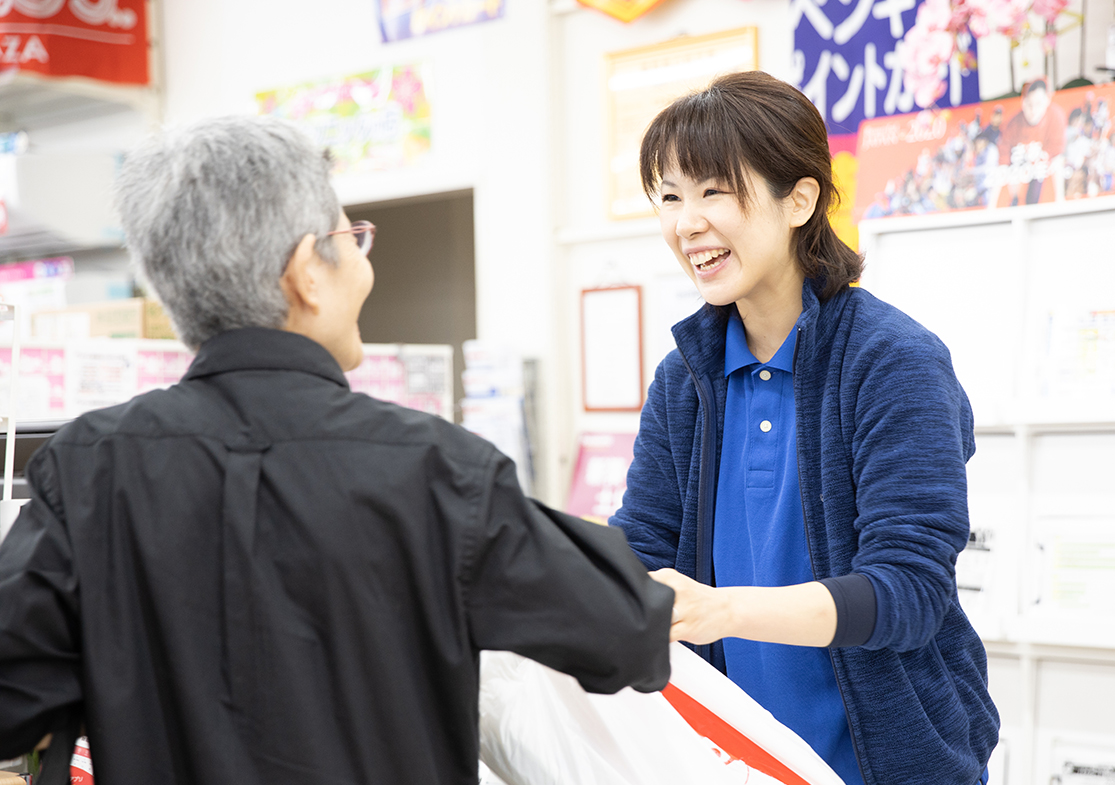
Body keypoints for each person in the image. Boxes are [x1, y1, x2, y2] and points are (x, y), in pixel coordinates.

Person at [0, 116, 673, 785]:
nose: (365, 264)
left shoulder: (85, 469)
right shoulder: (436, 469)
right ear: (306, 273)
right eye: (353, 239)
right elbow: (628, 630)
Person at [611, 70, 999, 785]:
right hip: (729, 760)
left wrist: (718, 609)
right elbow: (640, 546)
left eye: (712, 191)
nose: (686, 222)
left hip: (885, 765)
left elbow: (908, 591)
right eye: (668, 197)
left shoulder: (893, 361)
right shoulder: (684, 378)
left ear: (800, 198)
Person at [998, 78, 1067, 205]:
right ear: (1023, 102)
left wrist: (1041, 160)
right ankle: (1014, 201)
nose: (1033, 110)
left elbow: (1057, 150)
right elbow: (1004, 155)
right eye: (1029, 104)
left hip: (1043, 163)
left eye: (1038, 104)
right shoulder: (1013, 124)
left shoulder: (1057, 116)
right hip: (1021, 166)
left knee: (1057, 164)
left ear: (1047, 100)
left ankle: (1060, 202)